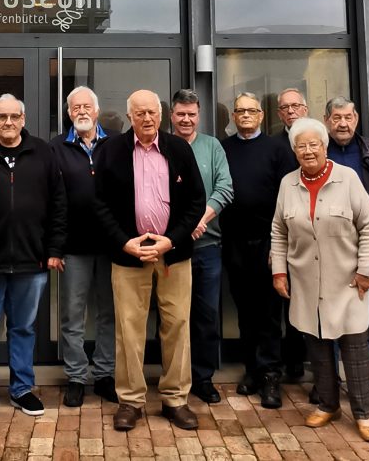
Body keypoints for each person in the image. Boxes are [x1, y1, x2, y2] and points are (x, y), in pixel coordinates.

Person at [94, 89, 205, 431]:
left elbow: (196, 202)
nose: (146, 118)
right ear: (129, 116)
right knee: (129, 329)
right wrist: (124, 243)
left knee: (177, 325)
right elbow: (99, 204)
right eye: (139, 113)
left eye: (152, 112)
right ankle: (130, 401)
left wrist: (171, 240)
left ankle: (175, 399)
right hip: (129, 254)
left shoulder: (179, 149)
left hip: (173, 254)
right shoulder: (111, 150)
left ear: (161, 115)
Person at [0, 94, 67, 423]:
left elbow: (58, 204)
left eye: (14, 117)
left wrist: (54, 250)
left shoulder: (43, 153)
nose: (8, 122)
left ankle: (21, 388)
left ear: (23, 119)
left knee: (23, 328)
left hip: (31, 260)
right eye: (2, 116)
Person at [271, 117, 369, 442]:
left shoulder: (347, 179)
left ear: (325, 146)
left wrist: (366, 270)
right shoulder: (288, 184)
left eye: (313, 144)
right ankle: (328, 405)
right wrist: (279, 271)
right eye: (301, 146)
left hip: (347, 281)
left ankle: (363, 413)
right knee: (317, 347)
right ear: (294, 151)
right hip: (306, 283)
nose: (308, 151)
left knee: (354, 349)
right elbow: (279, 231)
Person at [220, 92, 289, 409]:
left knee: (269, 313)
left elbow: (287, 197)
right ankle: (251, 370)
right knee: (245, 311)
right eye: (240, 111)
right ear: (234, 117)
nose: (245, 115)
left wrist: (279, 244)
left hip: (269, 242)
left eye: (251, 110)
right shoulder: (225, 148)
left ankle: (271, 374)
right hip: (234, 242)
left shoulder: (277, 149)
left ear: (261, 115)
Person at [325, 96, 369, 412]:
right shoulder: (320, 152)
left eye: (348, 117)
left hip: (364, 251)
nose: (343, 123)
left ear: (356, 119)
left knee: (368, 324)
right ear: (327, 120)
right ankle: (330, 383)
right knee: (330, 321)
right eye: (337, 117)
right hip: (329, 253)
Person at [49, 86, 116, 407]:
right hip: (73, 247)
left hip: (111, 246)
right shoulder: (56, 148)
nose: (82, 111)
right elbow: (51, 200)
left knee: (109, 314)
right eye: (75, 107)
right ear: (68, 112)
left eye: (87, 106)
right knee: (72, 316)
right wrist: (55, 247)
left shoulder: (114, 145)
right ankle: (76, 377)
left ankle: (104, 375)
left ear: (97, 111)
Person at [169, 89, 233, 404]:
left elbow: (225, 187)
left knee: (206, 315)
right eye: (181, 113)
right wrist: (182, 229)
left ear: (199, 115)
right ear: (171, 115)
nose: (186, 119)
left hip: (208, 247)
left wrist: (200, 220)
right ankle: (174, 376)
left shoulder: (212, 146)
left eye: (191, 114)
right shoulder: (162, 146)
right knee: (172, 317)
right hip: (172, 248)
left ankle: (203, 377)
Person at [275, 88, 309, 381]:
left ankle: (323, 371)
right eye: (285, 107)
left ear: (305, 109)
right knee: (288, 302)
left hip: (319, 235)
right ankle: (293, 363)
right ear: (278, 114)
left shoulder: (320, 139)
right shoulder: (274, 146)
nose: (290, 111)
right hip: (285, 233)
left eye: (295, 105)